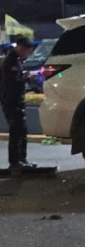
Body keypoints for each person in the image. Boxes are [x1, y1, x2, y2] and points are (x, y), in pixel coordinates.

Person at [0, 37, 35, 172]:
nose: (28, 54)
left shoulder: (16, 60)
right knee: (16, 131)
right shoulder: (11, 61)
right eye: (27, 51)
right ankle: (15, 162)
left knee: (22, 131)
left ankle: (21, 159)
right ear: (22, 48)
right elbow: (13, 82)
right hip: (11, 101)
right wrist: (28, 76)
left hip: (15, 100)